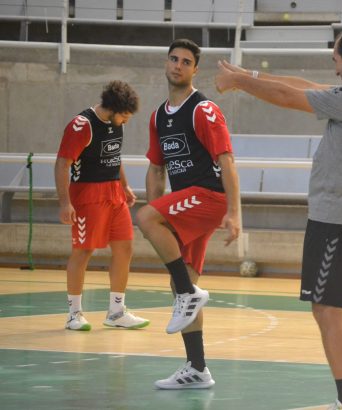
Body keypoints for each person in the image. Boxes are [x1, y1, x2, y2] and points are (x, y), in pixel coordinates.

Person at [215, 29, 342, 410]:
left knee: (327, 310)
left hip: (336, 221)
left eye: (335, 61)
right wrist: (252, 74)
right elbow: (307, 86)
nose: (333, 72)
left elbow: (289, 97)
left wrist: (239, 82)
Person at [136, 38, 240, 389]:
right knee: (184, 279)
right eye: (173, 59)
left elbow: (226, 160)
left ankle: (187, 294)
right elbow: (155, 169)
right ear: (166, 64)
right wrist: (156, 212)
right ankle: (198, 368)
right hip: (186, 203)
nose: (178, 65)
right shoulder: (157, 117)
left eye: (185, 61)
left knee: (145, 218)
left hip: (209, 197)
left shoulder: (203, 109)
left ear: (195, 69)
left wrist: (235, 212)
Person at [55, 80, 150, 331]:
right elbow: (62, 164)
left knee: (125, 248)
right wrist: (65, 203)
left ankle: (116, 312)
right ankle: (74, 314)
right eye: (126, 116)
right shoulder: (81, 125)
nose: (127, 120)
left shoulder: (115, 123)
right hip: (87, 195)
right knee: (83, 251)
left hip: (114, 194)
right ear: (112, 108)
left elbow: (114, 155)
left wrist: (125, 185)